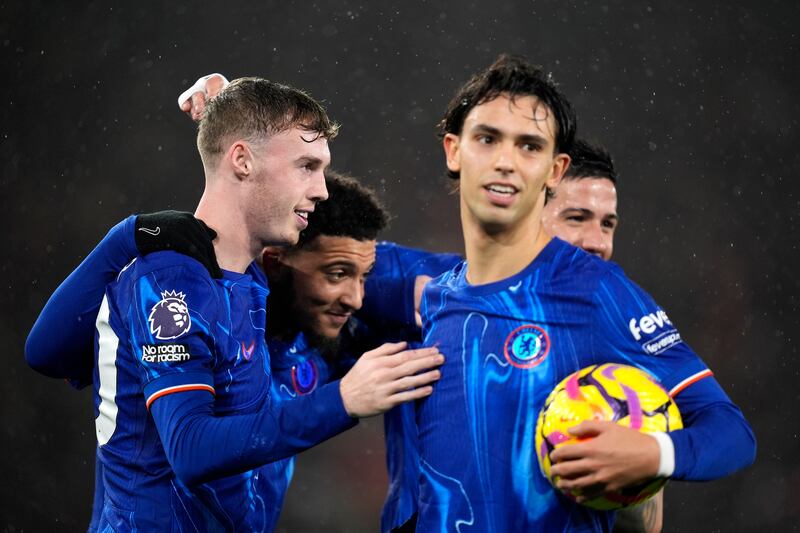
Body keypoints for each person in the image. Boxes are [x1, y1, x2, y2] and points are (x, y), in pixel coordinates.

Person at [26, 77, 445, 531]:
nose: (322, 189)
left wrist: (235, 101)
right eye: (307, 165)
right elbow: (190, 448)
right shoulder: (171, 282)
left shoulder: (250, 281)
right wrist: (342, 400)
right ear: (242, 160)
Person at [414, 54, 756, 531]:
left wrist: (653, 452)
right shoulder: (437, 300)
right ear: (454, 150)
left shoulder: (597, 291)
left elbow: (731, 432)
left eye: (529, 146)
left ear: (555, 171)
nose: (507, 161)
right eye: (488, 139)